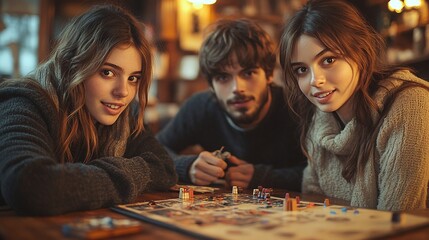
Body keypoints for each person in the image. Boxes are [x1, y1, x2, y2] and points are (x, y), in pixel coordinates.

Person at [0, 4, 177, 216]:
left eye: (133, 78)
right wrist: (136, 171)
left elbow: (164, 167)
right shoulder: (24, 102)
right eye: (108, 72)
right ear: (73, 65)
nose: (123, 92)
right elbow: (31, 186)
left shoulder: (125, 116)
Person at [279, 0, 429, 211]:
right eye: (301, 70)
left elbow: (397, 219)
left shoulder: (409, 103)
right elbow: (310, 206)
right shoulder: (320, 117)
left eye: (328, 60)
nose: (315, 80)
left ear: (360, 52)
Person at [156, 19, 306, 190]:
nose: (237, 88)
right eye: (223, 77)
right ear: (211, 85)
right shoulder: (200, 107)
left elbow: (321, 173)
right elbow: (154, 151)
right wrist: (186, 166)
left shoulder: (297, 108)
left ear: (269, 74)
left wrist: (265, 177)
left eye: (248, 73)